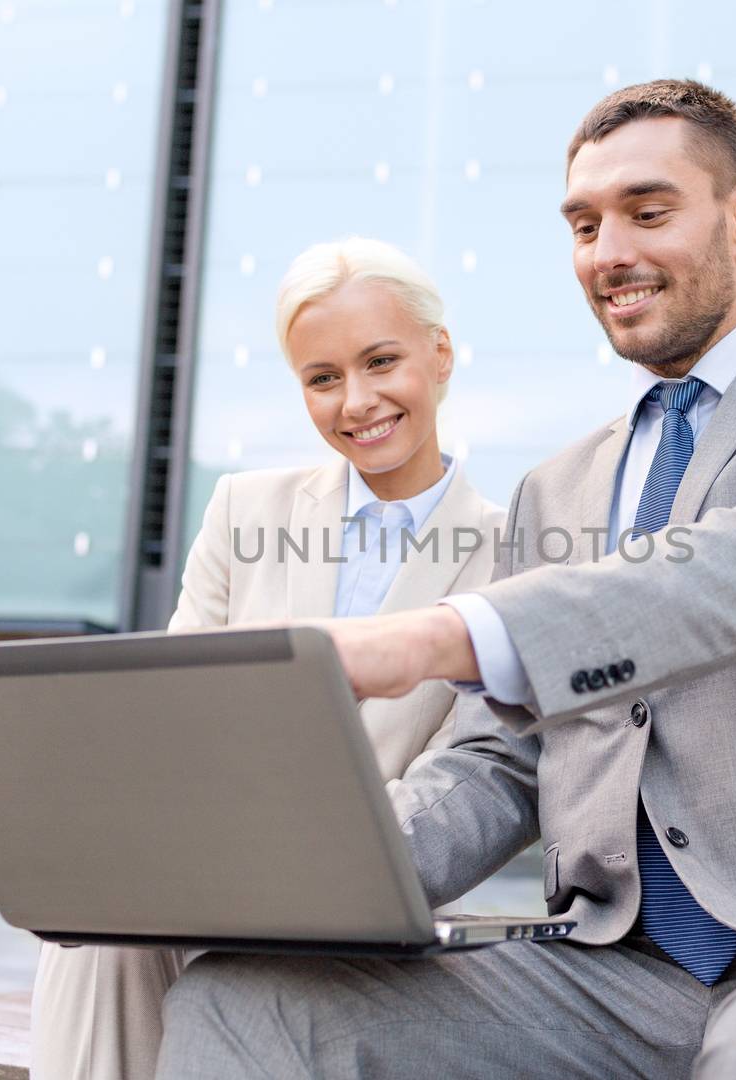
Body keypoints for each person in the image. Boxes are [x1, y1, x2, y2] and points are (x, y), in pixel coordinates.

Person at [155, 81, 736, 1080]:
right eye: (584, 224)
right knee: (244, 999)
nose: (608, 250)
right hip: (613, 967)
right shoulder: (556, 488)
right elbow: (500, 757)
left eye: (647, 212)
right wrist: (308, 871)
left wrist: (435, 633)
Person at [29, 236, 505, 1080]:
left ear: (439, 354)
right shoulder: (246, 508)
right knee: (101, 934)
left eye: (380, 361)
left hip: (375, 905)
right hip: (207, 870)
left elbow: (470, 771)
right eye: (323, 379)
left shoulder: (513, 552)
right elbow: (169, 723)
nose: (356, 402)